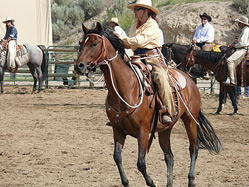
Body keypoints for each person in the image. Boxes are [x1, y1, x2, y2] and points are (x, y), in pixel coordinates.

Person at [117, 0, 176, 124]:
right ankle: (118, 108)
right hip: (136, 57)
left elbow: (138, 41)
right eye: (135, 9)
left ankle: (167, 110)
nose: (134, 11)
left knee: (161, 78)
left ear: (146, 11)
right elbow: (131, 44)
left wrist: (122, 39)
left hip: (152, 58)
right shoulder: (135, 26)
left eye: (137, 9)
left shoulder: (152, 25)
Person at [224, 16, 249, 86]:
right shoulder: (245, 30)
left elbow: (243, 43)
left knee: (230, 60)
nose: (238, 24)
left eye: (239, 23)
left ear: (242, 23)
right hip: (241, 48)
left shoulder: (246, 30)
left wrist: (234, 45)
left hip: (243, 49)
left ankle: (232, 80)